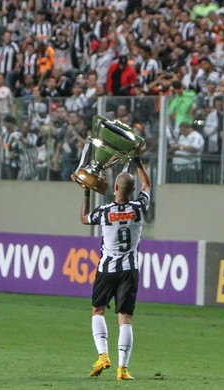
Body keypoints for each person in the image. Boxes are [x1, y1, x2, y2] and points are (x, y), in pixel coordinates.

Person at [81, 150, 151, 381]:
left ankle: (103, 355)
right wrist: (138, 161)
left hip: (107, 268)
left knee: (98, 310)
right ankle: (123, 369)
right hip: (129, 270)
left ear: (115, 189)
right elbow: (147, 186)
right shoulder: (139, 209)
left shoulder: (104, 212)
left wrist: (86, 192)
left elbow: (84, 218)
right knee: (125, 318)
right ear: (133, 191)